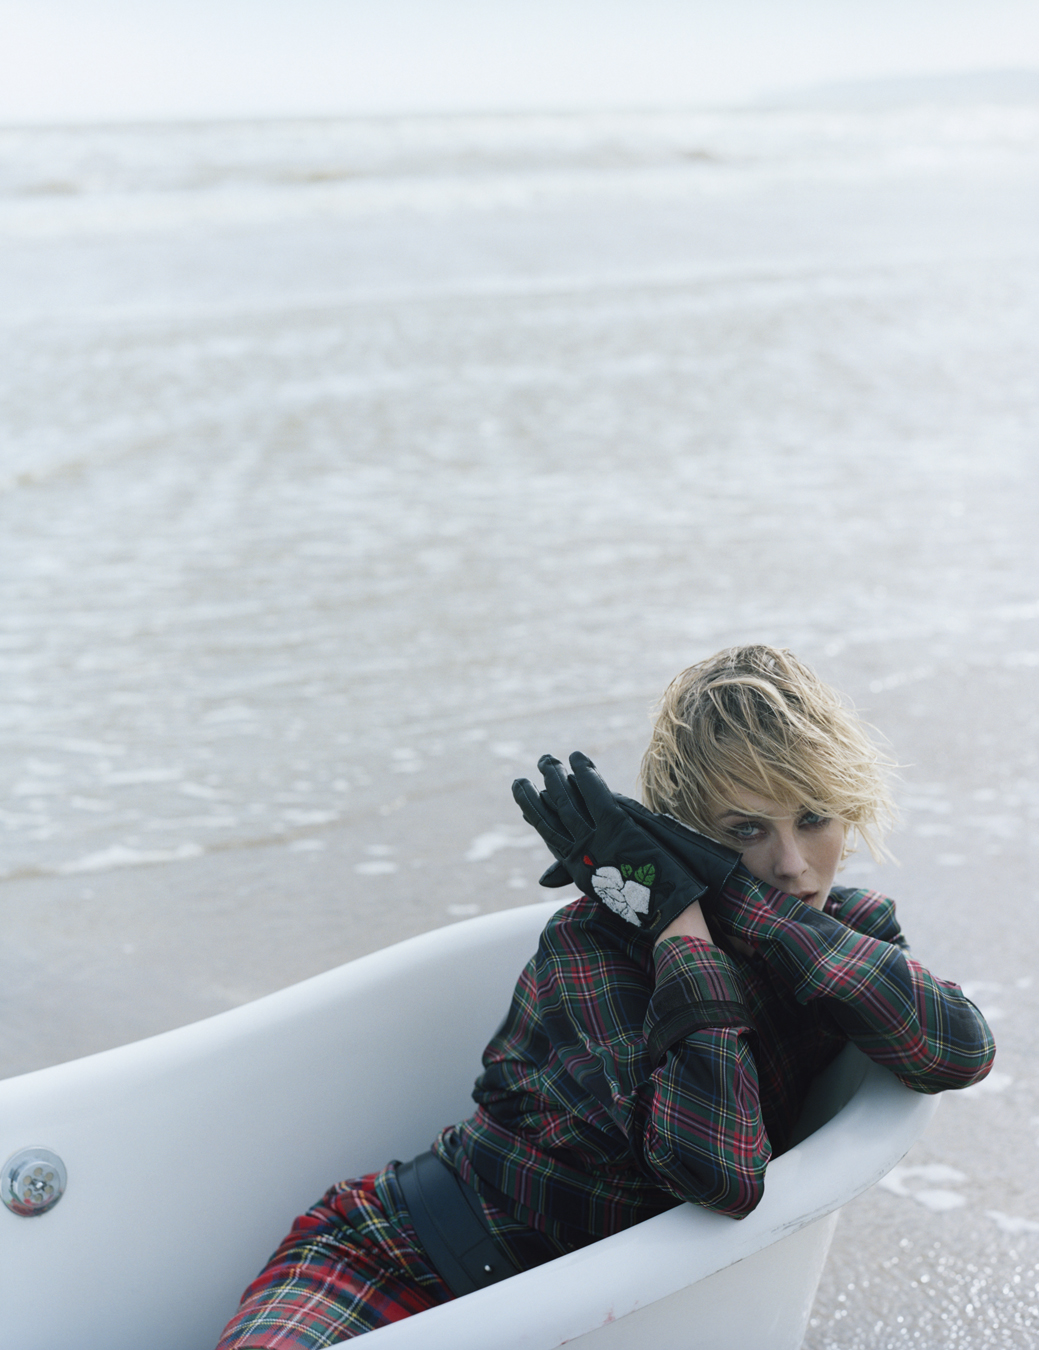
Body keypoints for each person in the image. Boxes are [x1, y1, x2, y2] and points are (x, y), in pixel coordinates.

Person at [216, 645, 995, 1349]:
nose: (792, 864)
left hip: (580, 1318)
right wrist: (680, 934)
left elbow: (957, 1050)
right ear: (679, 830)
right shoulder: (593, 947)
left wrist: (722, 893)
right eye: (742, 832)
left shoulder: (847, 933)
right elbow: (717, 1172)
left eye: (814, 818)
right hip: (398, 1265)